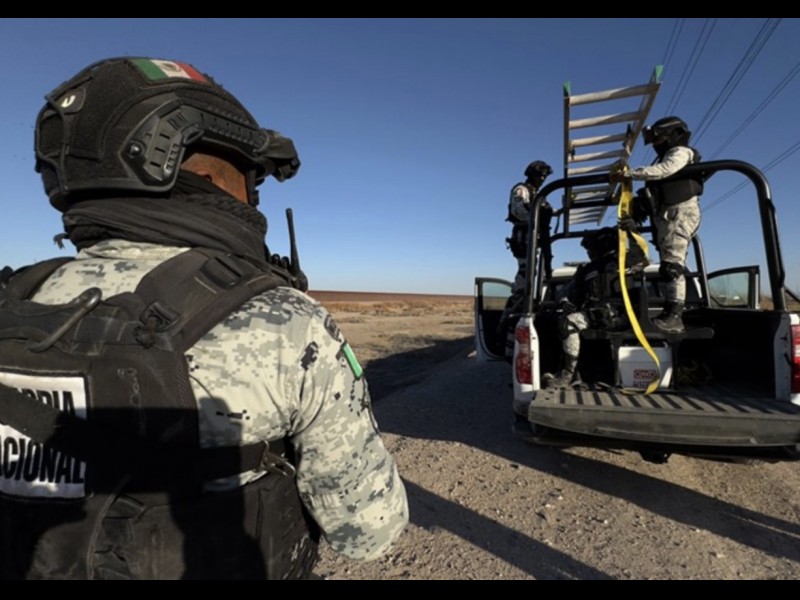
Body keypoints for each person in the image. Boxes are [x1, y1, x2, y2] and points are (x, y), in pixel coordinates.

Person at [0, 56, 408, 580]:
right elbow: (368, 531)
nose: (251, 198)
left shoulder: (14, 298)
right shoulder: (285, 323)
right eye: (248, 177)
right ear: (200, 169)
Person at [612, 116, 704, 333]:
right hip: (666, 215)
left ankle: (674, 316)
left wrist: (629, 174)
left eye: (659, 139)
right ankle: (670, 313)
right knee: (667, 266)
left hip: (679, 213)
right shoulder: (665, 156)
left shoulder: (681, 153)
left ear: (673, 135)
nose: (655, 144)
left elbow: (666, 169)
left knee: (672, 267)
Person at [542, 227, 638, 388]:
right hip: (594, 316)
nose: (589, 253)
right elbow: (563, 292)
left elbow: (639, 256)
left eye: (590, 249)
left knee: (569, 322)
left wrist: (631, 230)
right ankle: (567, 373)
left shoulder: (624, 261)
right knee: (557, 322)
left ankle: (567, 375)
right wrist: (564, 302)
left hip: (619, 316)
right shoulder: (586, 270)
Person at [499, 160, 553, 359]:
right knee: (524, 279)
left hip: (534, 240)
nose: (542, 179)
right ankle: (511, 314)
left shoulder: (538, 193)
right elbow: (519, 211)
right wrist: (539, 213)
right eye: (540, 175)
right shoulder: (521, 190)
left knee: (534, 275)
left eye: (544, 176)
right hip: (524, 239)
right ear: (531, 174)